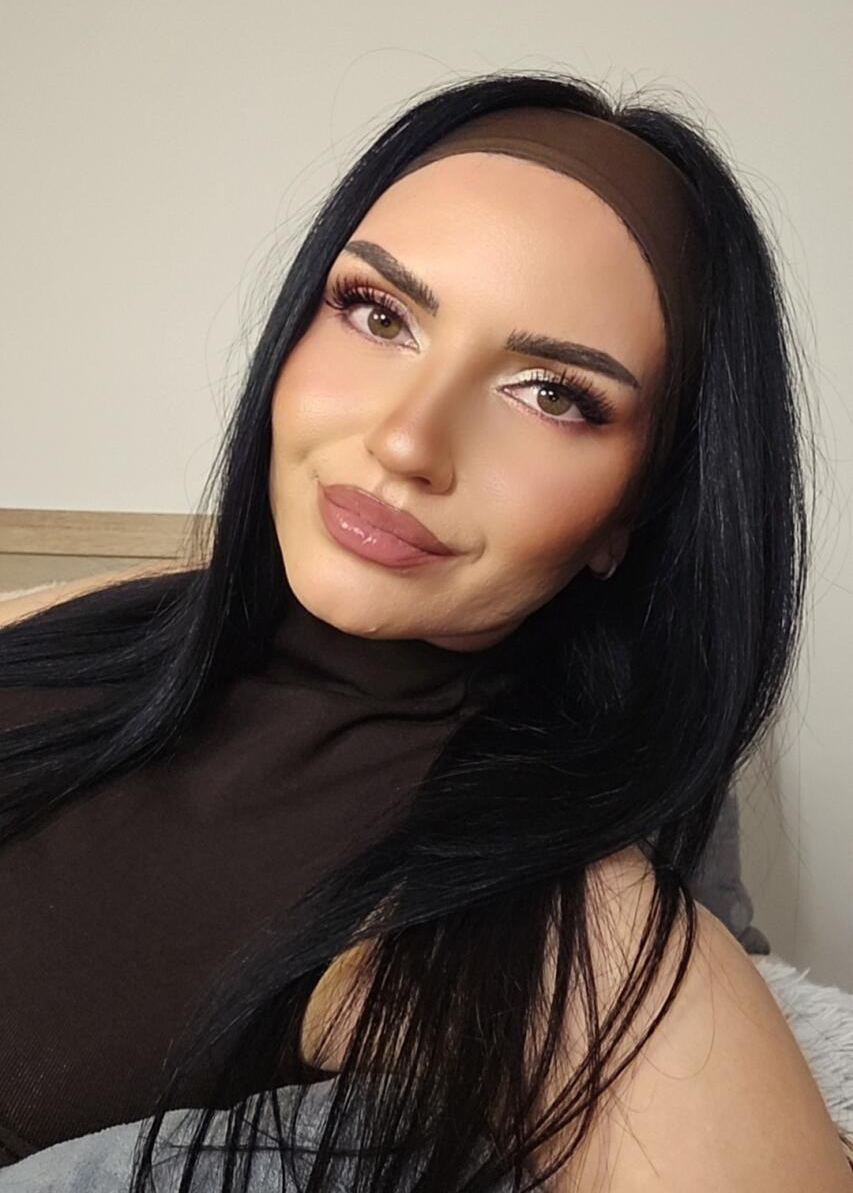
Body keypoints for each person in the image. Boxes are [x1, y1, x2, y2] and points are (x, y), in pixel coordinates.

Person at [1, 72, 850, 1190]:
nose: (406, 441)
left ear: (635, 512)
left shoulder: (557, 926)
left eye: (552, 393)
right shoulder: (111, 613)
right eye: (378, 313)